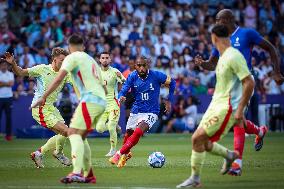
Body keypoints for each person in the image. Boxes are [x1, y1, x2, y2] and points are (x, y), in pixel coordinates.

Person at [195, 9, 284, 176]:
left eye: (218, 20)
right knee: (236, 119)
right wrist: (202, 64)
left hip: (244, 81)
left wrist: (276, 72)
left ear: (228, 19)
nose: (215, 23)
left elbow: (271, 48)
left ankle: (237, 163)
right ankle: (259, 131)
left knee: (236, 119)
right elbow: (212, 64)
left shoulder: (247, 34)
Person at [177, 24, 255, 188]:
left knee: (197, 139)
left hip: (226, 108)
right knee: (201, 141)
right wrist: (203, 63)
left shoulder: (234, 56)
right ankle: (228, 156)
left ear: (214, 37)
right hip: (215, 105)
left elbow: (249, 82)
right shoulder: (222, 56)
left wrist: (240, 108)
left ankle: (196, 179)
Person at [31, 34, 106, 184]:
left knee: (73, 134)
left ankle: (77, 172)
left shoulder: (72, 58)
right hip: (100, 101)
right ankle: (88, 174)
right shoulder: (90, 60)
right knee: (77, 135)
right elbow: (102, 84)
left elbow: (58, 78)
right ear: (83, 46)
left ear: (70, 47)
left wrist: (43, 96)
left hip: (90, 101)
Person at [3, 48, 71, 168]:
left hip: (52, 108)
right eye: (62, 60)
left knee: (63, 133)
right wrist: (13, 63)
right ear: (54, 59)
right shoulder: (42, 69)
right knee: (65, 131)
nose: (64, 63)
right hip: (40, 108)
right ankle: (57, 153)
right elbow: (20, 72)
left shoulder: (65, 73)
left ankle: (39, 153)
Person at [109, 56, 176, 168]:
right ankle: (126, 154)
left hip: (152, 111)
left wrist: (169, 100)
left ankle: (118, 154)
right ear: (135, 66)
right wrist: (121, 96)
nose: (141, 68)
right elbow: (124, 89)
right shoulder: (132, 76)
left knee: (139, 131)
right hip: (136, 110)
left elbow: (172, 82)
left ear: (147, 65)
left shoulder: (156, 75)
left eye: (143, 65)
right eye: (138, 65)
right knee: (128, 135)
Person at [96, 52, 126, 157]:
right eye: (103, 58)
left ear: (110, 60)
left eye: (107, 58)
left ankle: (113, 150)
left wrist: (122, 95)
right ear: (99, 60)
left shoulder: (115, 72)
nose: (104, 60)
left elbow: (125, 83)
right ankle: (115, 125)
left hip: (114, 103)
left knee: (111, 126)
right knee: (99, 129)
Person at [0, 60, 14, 141]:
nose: (4, 66)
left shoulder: (11, 74)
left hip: (8, 97)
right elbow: (8, 84)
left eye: (5, 65)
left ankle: (8, 135)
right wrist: (7, 83)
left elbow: (11, 84)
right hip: (0, 98)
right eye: (2, 65)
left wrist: (2, 83)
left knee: (8, 117)